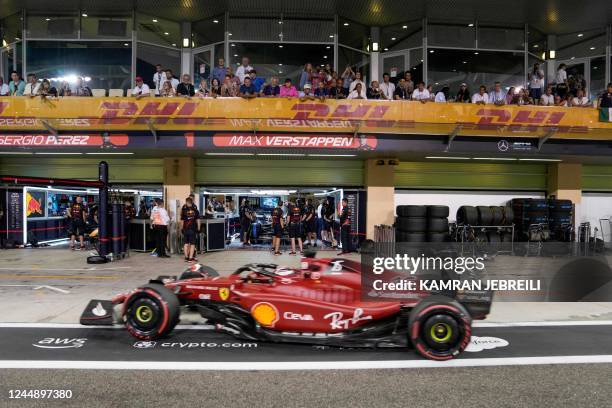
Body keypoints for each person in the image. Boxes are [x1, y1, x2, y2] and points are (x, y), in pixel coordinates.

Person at [181, 197, 200, 262]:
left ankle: (186, 257)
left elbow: (182, 221)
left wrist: (181, 228)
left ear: (186, 202)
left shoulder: (184, 210)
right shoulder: (196, 210)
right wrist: (199, 228)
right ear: (192, 202)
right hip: (193, 229)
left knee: (186, 243)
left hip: (185, 229)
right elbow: (198, 220)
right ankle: (190, 258)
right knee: (192, 244)